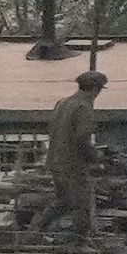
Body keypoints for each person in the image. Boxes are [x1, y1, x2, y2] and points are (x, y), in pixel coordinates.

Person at [39, 71, 107, 235]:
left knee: (64, 201)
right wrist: (97, 157)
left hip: (55, 162)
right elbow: (82, 140)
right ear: (95, 89)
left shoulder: (62, 103)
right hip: (72, 165)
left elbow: (52, 130)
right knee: (82, 204)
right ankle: (81, 241)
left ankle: (35, 231)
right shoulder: (84, 107)